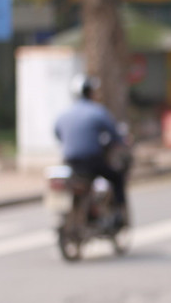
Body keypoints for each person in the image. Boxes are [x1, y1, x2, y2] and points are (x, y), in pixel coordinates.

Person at [54, 73, 130, 227]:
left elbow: (57, 134)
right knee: (116, 177)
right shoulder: (97, 112)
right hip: (92, 163)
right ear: (90, 92)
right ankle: (119, 215)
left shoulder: (64, 114)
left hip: (70, 162)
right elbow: (115, 134)